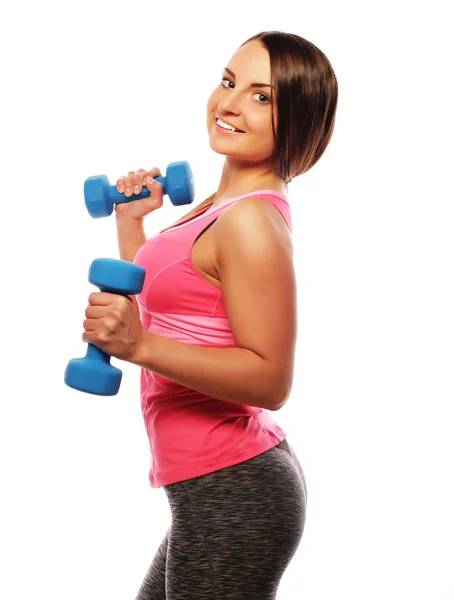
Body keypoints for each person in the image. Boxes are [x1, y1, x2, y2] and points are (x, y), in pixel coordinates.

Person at [82, 30, 338, 600]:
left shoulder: (251, 223)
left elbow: (271, 380)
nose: (228, 103)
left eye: (261, 96)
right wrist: (133, 225)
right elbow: (169, 314)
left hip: (235, 489)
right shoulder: (219, 210)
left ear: (298, 119)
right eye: (228, 82)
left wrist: (140, 347)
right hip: (212, 488)